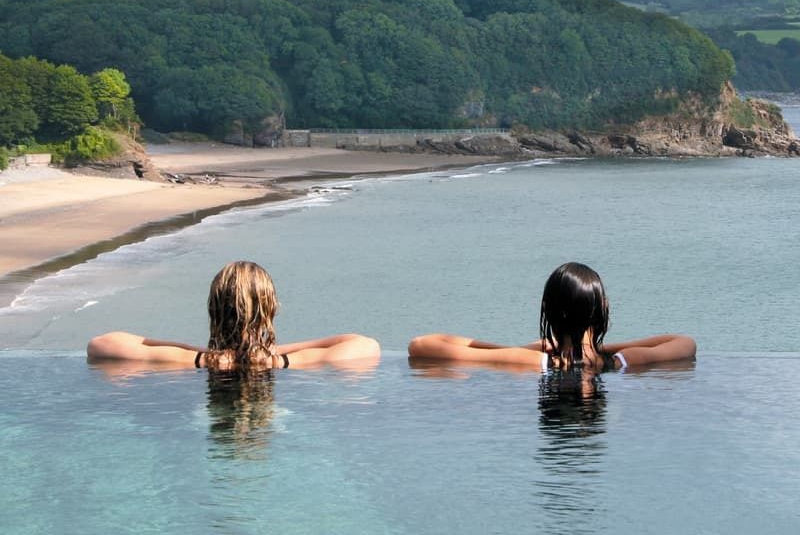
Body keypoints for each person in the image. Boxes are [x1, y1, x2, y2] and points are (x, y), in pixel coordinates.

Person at [87, 260, 380, 370]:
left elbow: (101, 344)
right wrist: (270, 351)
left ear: (212, 308)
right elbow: (366, 344)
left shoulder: (191, 361)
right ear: (271, 311)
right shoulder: (284, 362)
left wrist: (200, 351)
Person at [408, 262, 696, 370]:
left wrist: (521, 348)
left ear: (548, 310)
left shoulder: (534, 361)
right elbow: (684, 343)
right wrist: (597, 349)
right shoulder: (624, 361)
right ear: (603, 309)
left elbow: (421, 345)